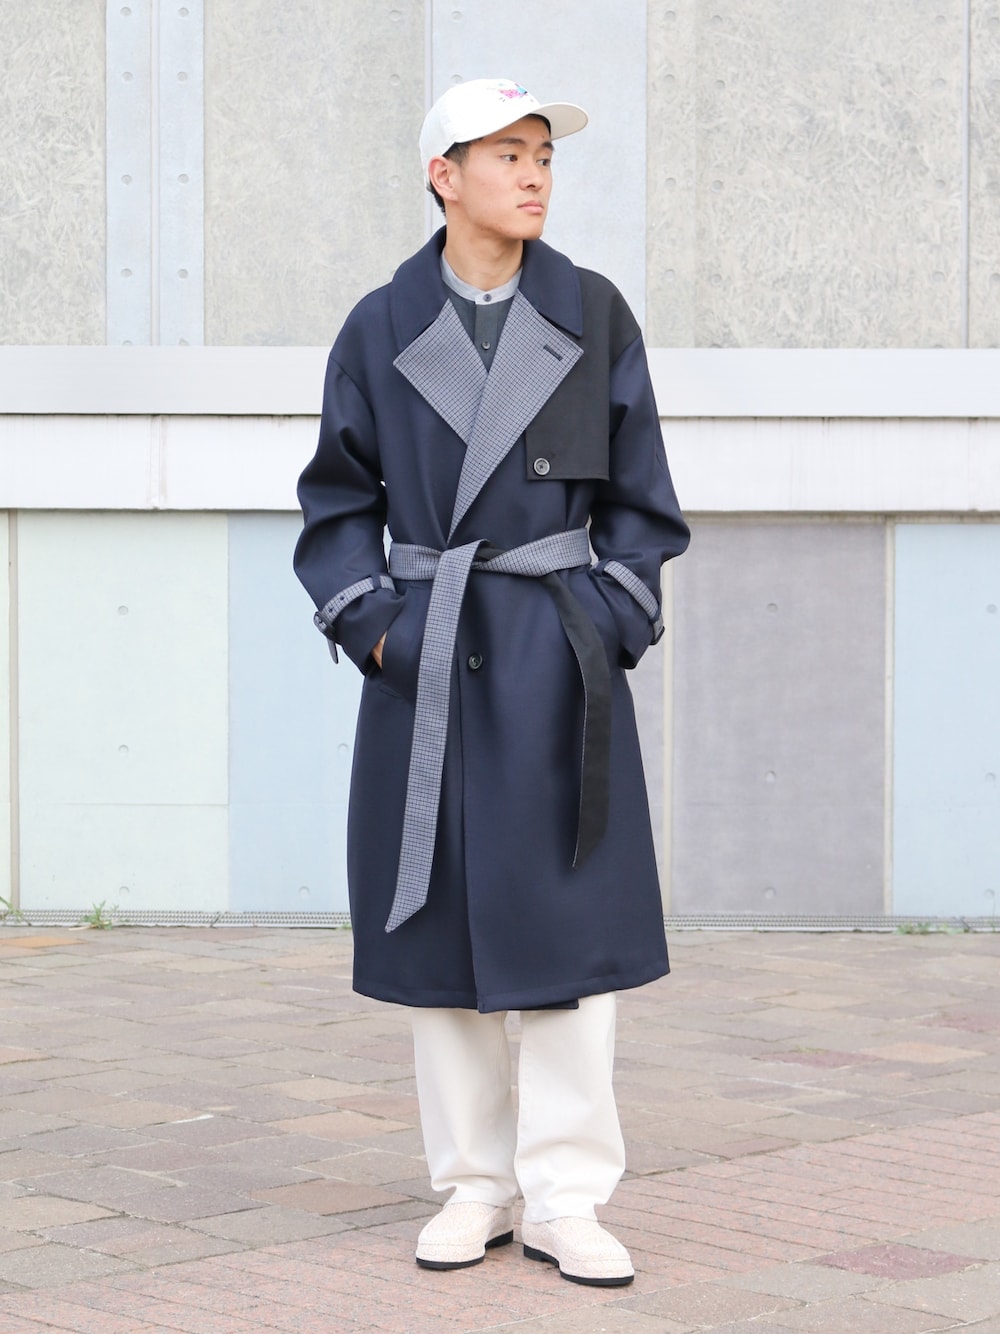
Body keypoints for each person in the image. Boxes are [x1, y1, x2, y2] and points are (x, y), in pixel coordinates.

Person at [294, 77, 689, 1287]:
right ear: (442, 174)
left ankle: (567, 1194)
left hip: (556, 664)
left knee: (570, 932)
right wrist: (383, 636)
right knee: (441, 924)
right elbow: (336, 506)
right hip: (430, 664)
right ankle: (474, 1183)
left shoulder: (591, 310)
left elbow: (641, 505)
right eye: (506, 153)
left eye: (543, 156)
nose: (532, 175)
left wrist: (608, 619)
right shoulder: (379, 325)